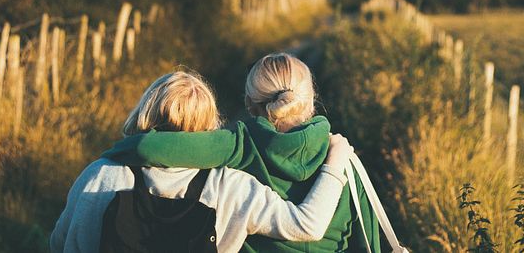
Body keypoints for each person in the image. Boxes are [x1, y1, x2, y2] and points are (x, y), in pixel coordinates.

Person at [50, 71, 353, 253]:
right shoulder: (230, 186)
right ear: (210, 122)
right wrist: (335, 163)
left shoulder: (101, 175)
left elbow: (61, 242)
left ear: (145, 111)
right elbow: (307, 225)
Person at [104, 53, 382, 252]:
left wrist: (112, 152)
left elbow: (145, 147)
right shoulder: (343, 159)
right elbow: (369, 241)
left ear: (249, 104)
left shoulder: (239, 144)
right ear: (311, 100)